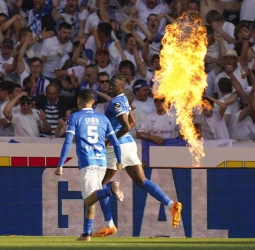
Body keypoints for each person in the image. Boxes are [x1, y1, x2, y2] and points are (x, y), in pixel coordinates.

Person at [92, 73, 182, 237]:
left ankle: (109, 224)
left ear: (121, 87)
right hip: (130, 145)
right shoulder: (125, 100)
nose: (110, 87)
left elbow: (126, 126)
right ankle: (171, 205)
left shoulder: (115, 103)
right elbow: (133, 123)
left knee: (101, 184)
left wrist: (109, 140)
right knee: (142, 181)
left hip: (117, 146)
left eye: (113, 85)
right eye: (109, 85)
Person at [54, 89, 124, 242]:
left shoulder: (75, 117)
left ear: (79, 102)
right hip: (101, 162)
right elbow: (116, 143)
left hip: (87, 162)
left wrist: (60, 165)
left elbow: (67, 142)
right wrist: (119, 160)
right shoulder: (103, 118)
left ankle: (110, 189)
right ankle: (86, 234)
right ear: (93, 102)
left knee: (89, 199)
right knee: (92, 196)